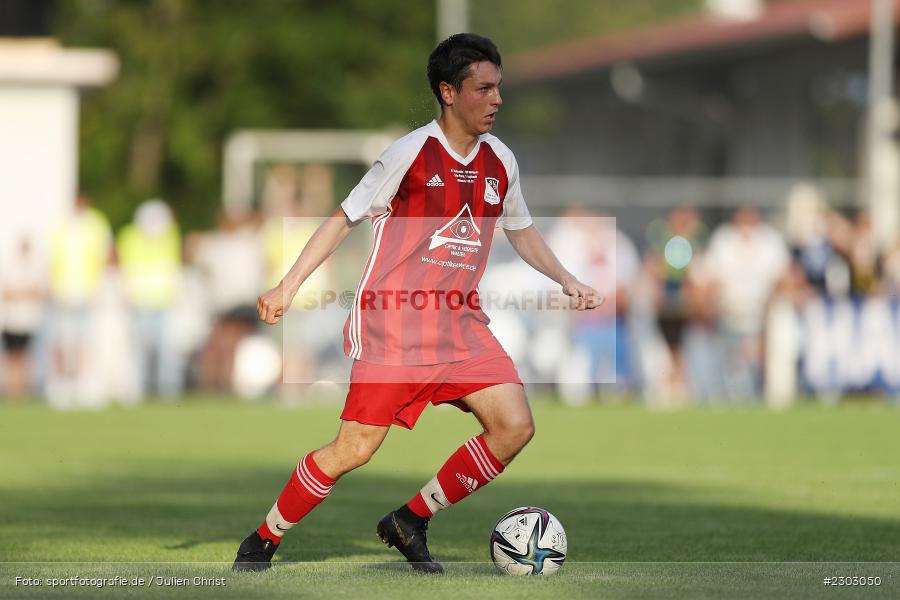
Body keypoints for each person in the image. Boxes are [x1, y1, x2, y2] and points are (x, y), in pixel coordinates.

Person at [232, 33, 602, 573]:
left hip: (460, 324)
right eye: (484, 88)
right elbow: (342, 220)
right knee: (353, 450)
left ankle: (411, 519)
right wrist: (287, 286)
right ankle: (263, 538)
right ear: (448, 92)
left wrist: (566, 279)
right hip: (394, 329)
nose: (497, 98)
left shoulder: (502, 160)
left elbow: (521, 232)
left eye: (499, 87)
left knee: (514, 426)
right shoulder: (408, 154)